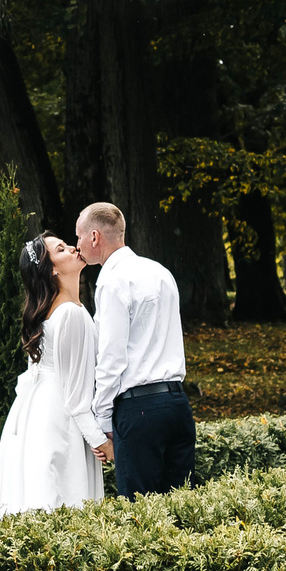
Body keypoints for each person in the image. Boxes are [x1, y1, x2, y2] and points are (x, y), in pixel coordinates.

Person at [75, 201, 195, 497]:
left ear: (94, 237)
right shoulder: (160, 272)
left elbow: (111, 359)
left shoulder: (113, 280)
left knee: (140, 518)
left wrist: (103, 420)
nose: (76, 244)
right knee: (183, 511)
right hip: (178, 404)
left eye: (78, 236)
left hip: (139, 411)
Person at [0, 233, 105, 518]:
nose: (74, 247)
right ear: (52, 269)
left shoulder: (50, 314)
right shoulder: (71, 314)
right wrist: (101, 442)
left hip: (34, 414)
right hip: (58, 419)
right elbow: (76, 397)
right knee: (61, 491)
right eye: (62, 249)